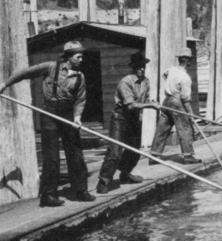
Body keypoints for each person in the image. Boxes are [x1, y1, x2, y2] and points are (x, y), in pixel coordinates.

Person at [0, 40, 95, 206]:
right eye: (78, 56)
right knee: (51, 156)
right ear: (69, 56)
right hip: (49, 113)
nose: (81, 60)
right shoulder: (51, 67)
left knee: (75, 153)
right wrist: (4, 84)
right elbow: (25, 73)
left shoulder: (80, 76)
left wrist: (78, 117)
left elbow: (80, 99)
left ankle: (80, 190)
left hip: (68, 115)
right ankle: (47, 195)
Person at [96, 52, 160, 194]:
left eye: (143, 66)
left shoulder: (146, 82)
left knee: (135, 150)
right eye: (138, 66)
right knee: (115, 150)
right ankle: (103, 180)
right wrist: (150, 106)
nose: (142, 69)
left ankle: (125, 175)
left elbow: (145, 100)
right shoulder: (126, 81)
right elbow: (130, 105)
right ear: (133, 67)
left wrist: (152, 103)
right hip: (120, 117)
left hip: (134, 118)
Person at [149, 47, 201, 164]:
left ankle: (154, 155)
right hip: (177, 102)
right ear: (188, 61)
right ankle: (188, 156)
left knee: (162, 129)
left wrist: (172, 84)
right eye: (190, 60)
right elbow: (185, 99)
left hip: (166, 101)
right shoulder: (185, 78)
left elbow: (164, 75)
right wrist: (191, 115)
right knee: (185, 128)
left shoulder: (171, 70)